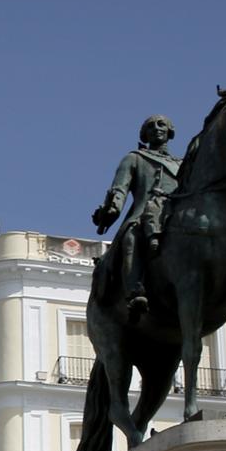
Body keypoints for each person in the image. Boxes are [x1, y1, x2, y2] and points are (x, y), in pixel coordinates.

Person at [92, 114, 181, 323]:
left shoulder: (183, 163)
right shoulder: (134, 158)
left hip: (177, 216)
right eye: (150, 126)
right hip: (144, 214)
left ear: (170, 130)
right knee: (131, 237)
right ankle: (134, 292)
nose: (156, 128)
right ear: (144, 134)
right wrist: (111, 210)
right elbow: (119, 190)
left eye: (161, 124)